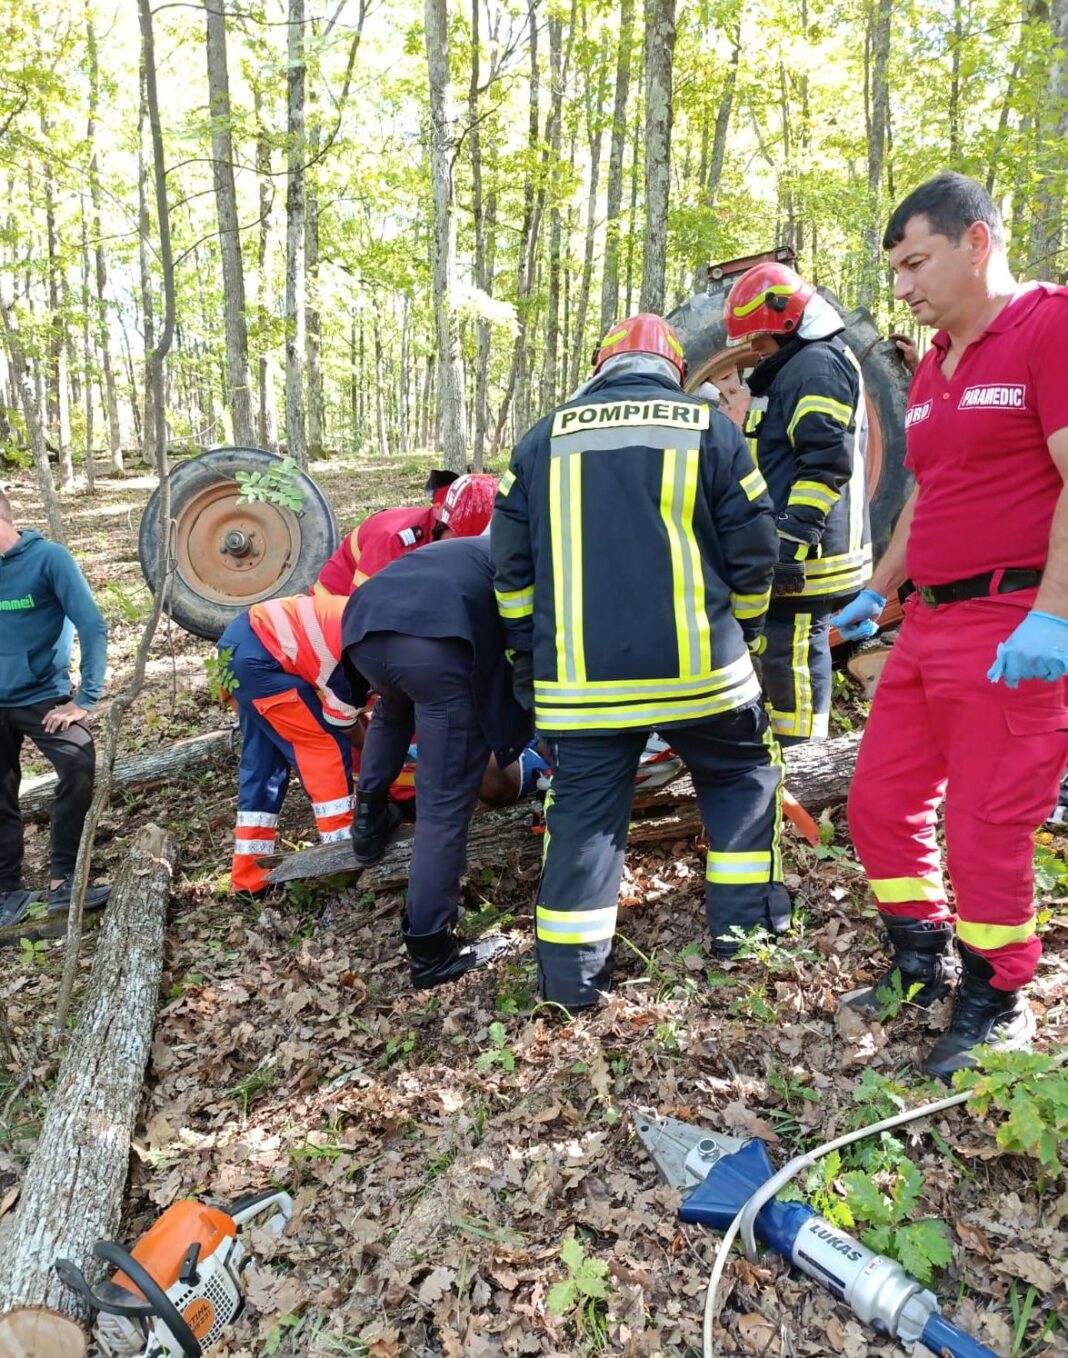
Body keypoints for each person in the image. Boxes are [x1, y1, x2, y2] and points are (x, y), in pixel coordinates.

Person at [830, 171, 1068, 1078]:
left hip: (1016, 623)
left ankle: (998, 995)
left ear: (979, 242)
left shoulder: (1049, 327)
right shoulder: (932, 365)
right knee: (879, 804)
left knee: (984, 825)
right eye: (895, 269)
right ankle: (919, 959)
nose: (903, 288)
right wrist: (880, 587)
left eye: (916, 262)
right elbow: (930, 487)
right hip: (928, 621)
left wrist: (1054, 612)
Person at [491, 312, 785, 1011]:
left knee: (585, 820)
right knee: (741, 778)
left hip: (582, 688)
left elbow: (509, 576)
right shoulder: (710, 429)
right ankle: (743, 940)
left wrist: (530, 668)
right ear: (676, 372)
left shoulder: (541, 441)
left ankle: (570, 987)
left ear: (599, 367)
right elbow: (756, 550)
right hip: (703, 676)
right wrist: (744, 634)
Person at [342, 536, 532, 989]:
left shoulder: (472, 547)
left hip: (364, 628)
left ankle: (368, 823)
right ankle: (432, 950)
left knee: (392, 706)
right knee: (444, 805)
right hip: (434, 649)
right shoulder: (527, 563)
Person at [723, 262, 871, 744]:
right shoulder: (797, 366)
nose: (754, 349)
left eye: (760, 338)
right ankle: (792, 749)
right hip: (801, 544)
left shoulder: (814, 366)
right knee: (786, 651)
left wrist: (792, 540)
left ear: (787, 323)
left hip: (811, 552)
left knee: (796, 652)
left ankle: (804, 756)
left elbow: (824, 463)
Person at [0, 488, 110, 926]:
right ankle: (7, 889)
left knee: (79, 764)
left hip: (43, 696)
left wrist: (85, 699)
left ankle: (63, 881)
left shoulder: (49, 559)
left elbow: (93, 624)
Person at [218, 592, 362, 898]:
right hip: (262, 660)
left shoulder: (362, 618)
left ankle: (249, 878)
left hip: (239, 644)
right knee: (325, 746)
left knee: (264, 763)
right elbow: (345, 722)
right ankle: (343, 859)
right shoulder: (358, 660)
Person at [314, 473, 498, 596]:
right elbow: (365, 606)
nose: (462, 551)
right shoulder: (394, 541)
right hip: (334, 606)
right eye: (458, 541)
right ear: (438, 516)